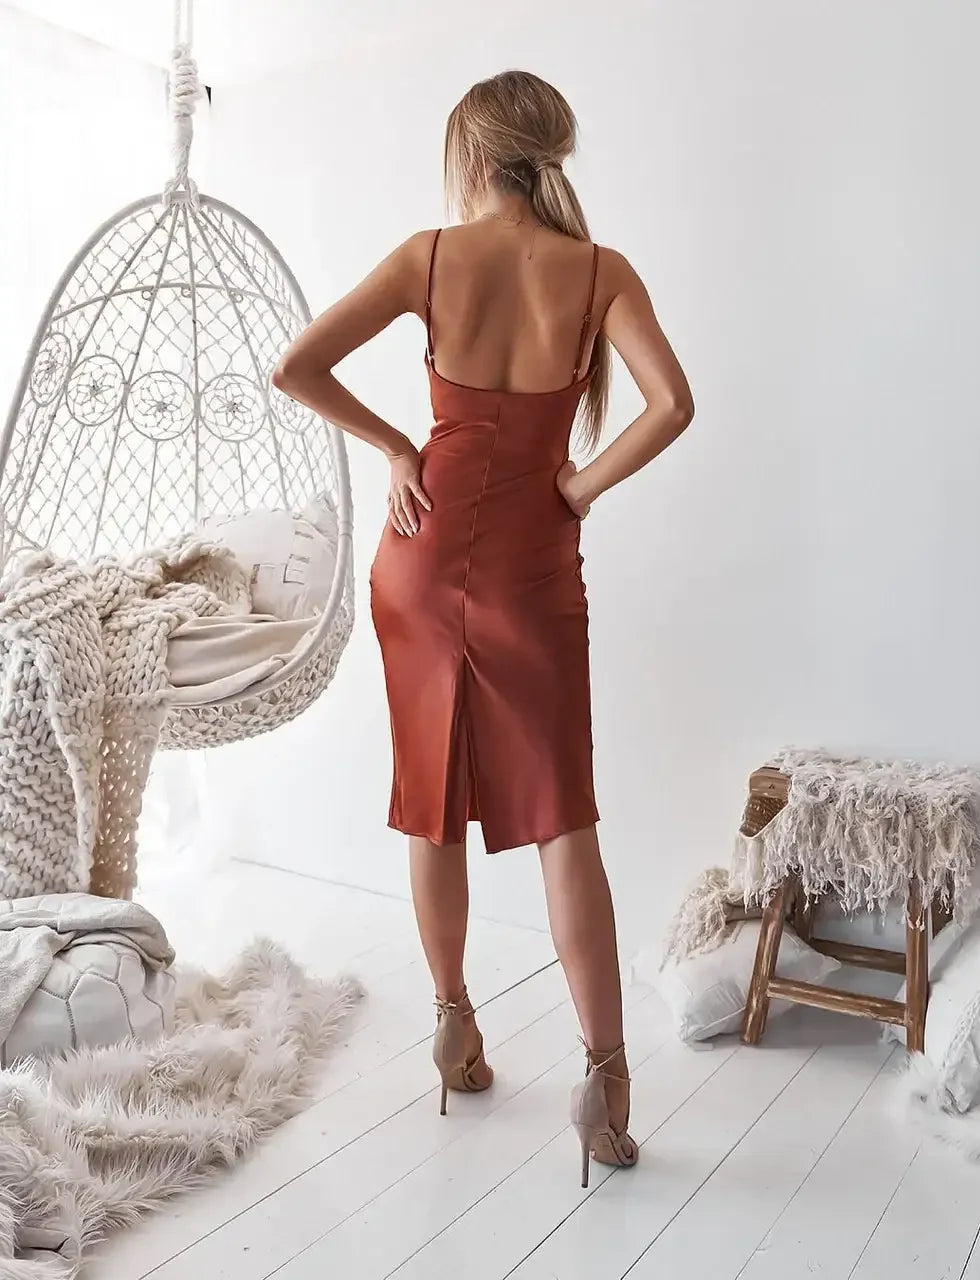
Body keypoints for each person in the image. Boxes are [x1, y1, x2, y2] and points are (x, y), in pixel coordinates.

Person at [273, 69, 693, 1186]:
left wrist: (399, 448)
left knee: (431, 798)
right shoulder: (599, 272)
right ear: (547, 152)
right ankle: (604, 1079)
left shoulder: (429, 256)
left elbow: (295, 365)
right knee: (564, 816)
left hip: (418, 556)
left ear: (469, 152)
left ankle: (454, 1025)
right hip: (532, 564)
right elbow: (673, 403)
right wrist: (578, 486)